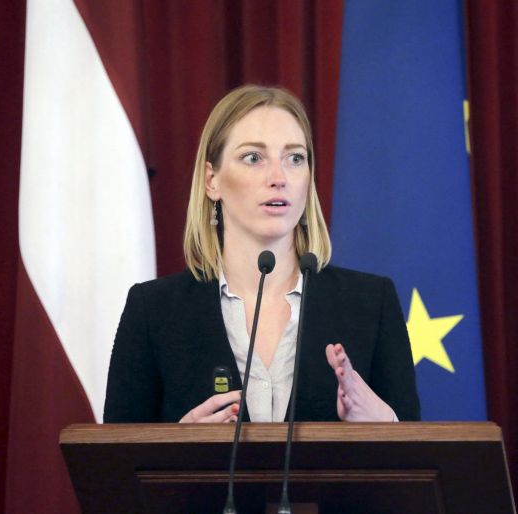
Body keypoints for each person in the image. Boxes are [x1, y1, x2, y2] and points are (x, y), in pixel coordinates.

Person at [103, 85, 420, 423]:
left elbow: (419, 451)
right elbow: (114, 454)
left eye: (295, 158)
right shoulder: (153, 311)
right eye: (253, 158)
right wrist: (174, 446)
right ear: (212, 181)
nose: (279, 178)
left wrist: (386, 425)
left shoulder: (371, 304)